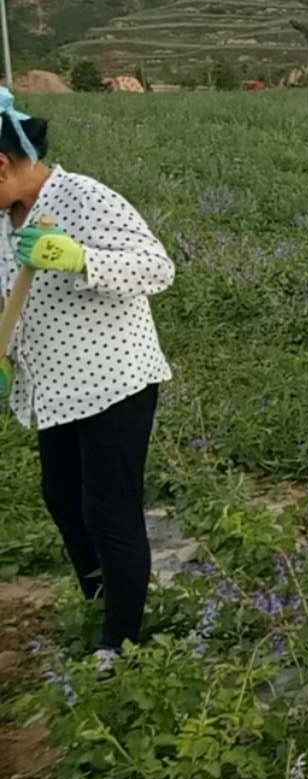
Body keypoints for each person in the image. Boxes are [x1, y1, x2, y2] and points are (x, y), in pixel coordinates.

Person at [0, 88, 174, 655]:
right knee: (62, 498)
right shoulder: (5, 219)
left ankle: (120, 644)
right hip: (51, 386)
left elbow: (156, 267)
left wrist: (81, 258)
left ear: (2, 163)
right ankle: (106, 603)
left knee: (109, 509)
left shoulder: (82, 197)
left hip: (112, 381)